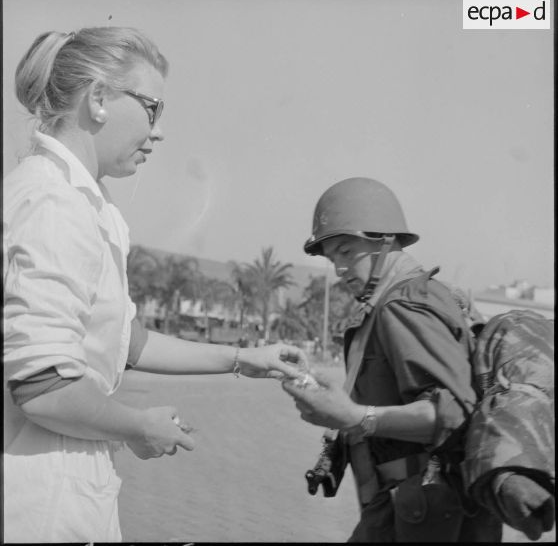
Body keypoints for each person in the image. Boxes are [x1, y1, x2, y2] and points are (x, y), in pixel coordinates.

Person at [3, 27, 307, 543]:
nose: (158, 131)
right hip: (39, 500)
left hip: (63, 488)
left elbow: (127, 339)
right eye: (152, 107)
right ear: (98, 98)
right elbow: (42, 386)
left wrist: (242, 358)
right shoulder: (53, 203)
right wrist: (139, 425)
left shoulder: (81, 201)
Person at [282, 177, 503, 542]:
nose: (338, 268)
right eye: (332, 257)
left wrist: (355, 416)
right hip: (411, 510)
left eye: (346, 251)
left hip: (427, 512)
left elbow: (452, 414)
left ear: (385, 241)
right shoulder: (403, 299)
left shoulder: (403, 306)